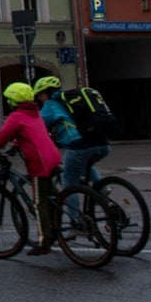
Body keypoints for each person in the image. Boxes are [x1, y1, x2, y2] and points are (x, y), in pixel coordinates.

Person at [0, 82, 61, 255]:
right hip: (53, 157)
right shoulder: (34, 113)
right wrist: (16, 145)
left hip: (39, 163)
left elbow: (0, 139)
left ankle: (44, 242)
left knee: (39, 202)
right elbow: (28, 133)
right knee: (50, 197)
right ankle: (56, 223)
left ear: (12, 101)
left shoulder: (16, 117)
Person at [35, 75, 109, 219]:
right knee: (85, 163)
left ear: (46, 92)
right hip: (103, 143)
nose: (39, 99)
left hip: (79, 145)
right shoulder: (72, 100)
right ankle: (102, 188)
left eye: (40, 95)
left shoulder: (51, 104)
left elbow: (38, 126)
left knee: (69, 184)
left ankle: (75, 223)